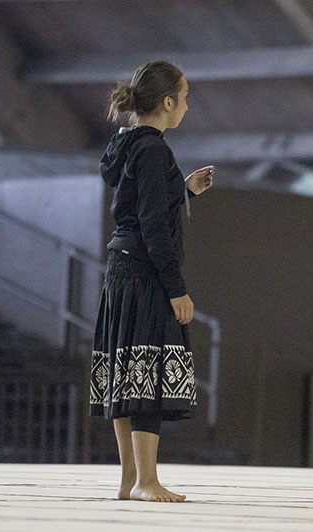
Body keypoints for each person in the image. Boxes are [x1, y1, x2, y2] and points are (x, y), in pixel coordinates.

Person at [89, 60, 214, 503]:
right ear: (167, 102)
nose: (186, 106)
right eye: (184, 97)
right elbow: (153, 225)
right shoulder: (155, 149)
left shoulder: (127, 143)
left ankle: (130, 479)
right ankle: (146, 480)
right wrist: (176, 288)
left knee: (126, 371)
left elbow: (137, 199)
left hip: (119, 269)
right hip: (145, 272)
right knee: (148, 373)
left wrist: (183, 189)